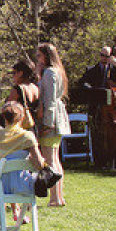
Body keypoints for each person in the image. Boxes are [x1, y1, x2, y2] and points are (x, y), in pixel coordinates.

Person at [0, 101, 58, 224]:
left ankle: (1, 218)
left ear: (3, 117)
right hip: (23, 186)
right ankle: (18, 214)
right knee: (14, 176)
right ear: (22, 117)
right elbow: (39, 164)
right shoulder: (27, 136)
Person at [78, 45, 116, 167]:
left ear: (111, 57)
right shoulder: (92, 70)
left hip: (112, 110)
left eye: (106, 56)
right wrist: (91, 89)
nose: (103, 58)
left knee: (114, 133)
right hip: (97, 107)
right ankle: (99, 160)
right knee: (97, 134)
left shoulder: (115, 70)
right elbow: (82, 82)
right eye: (102, 55)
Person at [36, 42, 71, 207]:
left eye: (39, 55)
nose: (38, 59)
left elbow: (49, 101)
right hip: (57, 118)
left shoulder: (50, 73)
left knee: (50, 160)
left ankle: (55, 198)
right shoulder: (56, 72)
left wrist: (47, 123)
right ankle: (58, 197)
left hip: (52, 120)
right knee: (55, 159)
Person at [6, 59, 40, 128]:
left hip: (20, 128)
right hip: (34, 127)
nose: (13, 76)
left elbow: (7, 111)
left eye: (14, 73)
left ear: (20, 73)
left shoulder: (17, 89)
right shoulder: (36, 88)